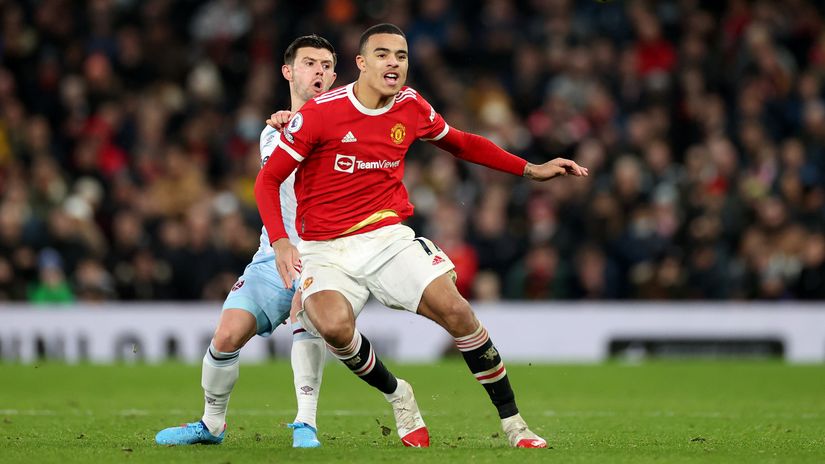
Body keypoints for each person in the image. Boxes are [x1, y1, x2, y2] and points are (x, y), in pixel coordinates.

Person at [255, 23, 588, 448]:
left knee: (459, 313)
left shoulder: (410, 105)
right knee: (334, 328)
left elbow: (462, 143)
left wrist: (530, 168)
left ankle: (515, 425)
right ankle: (400, 396)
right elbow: (268, 181)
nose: (393, 63)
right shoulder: (320, 114)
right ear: (360, 63)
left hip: (387, 238)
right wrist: (282, 240)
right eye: (382, 54)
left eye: (401, 55)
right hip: (325, 248)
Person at [155, 35, 338, 448]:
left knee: (308, 316)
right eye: (310, 63)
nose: (320, 72)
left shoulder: (346, 128)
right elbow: (274, 185)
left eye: (327, 65)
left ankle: (305, 423)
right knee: (225, 336)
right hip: (274, 252)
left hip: (326, 253)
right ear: (288, 71)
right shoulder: (272, 133)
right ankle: (211, 425)